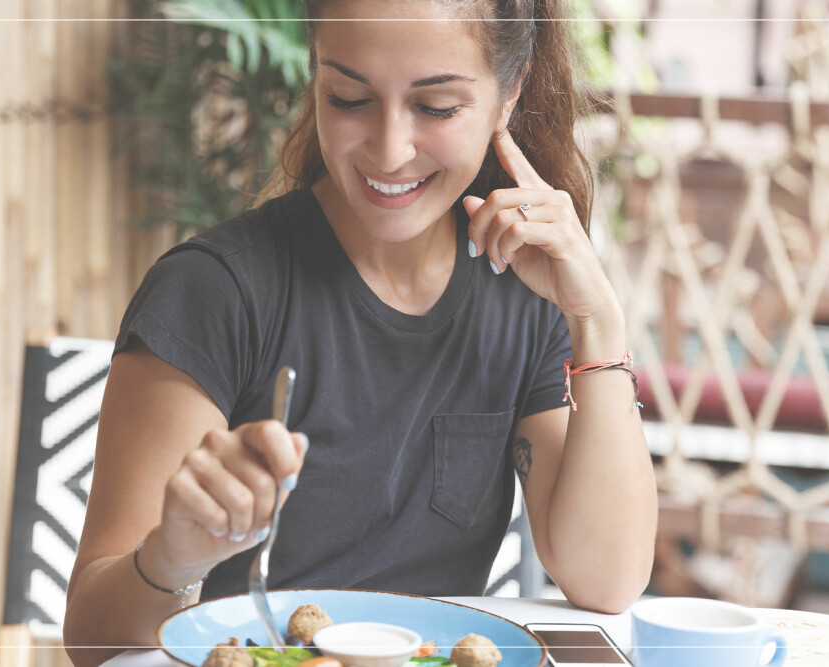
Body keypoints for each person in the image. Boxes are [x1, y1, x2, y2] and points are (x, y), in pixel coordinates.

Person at [62, 1, 658, 664]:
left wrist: (596, 320)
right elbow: (92, 638)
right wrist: (172, 555)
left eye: (435, 108)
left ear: (508, 94)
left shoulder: (522, 289)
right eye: (348, 97)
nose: (389, 149)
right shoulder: (215, 292)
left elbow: (606, 580)